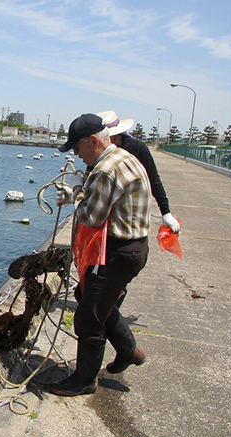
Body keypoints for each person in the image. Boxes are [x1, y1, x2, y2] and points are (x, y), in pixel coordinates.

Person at [51, 113, 152, 396]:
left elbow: (91, 217)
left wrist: (76, 191)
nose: (76, 154)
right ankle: (128, 349)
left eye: (77, 148)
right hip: (133, 247)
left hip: (118, 252)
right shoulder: (122, 157)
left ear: (93, 141)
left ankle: (84, 379)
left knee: (89, 315)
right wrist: (81, 191)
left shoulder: (106, 170)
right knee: (88, 297)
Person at [96, 110, 181, 234]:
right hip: (105, 214)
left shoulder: (137, 148)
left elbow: (154, 180)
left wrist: (166, 212)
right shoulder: (99, 151)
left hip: (130, 216)